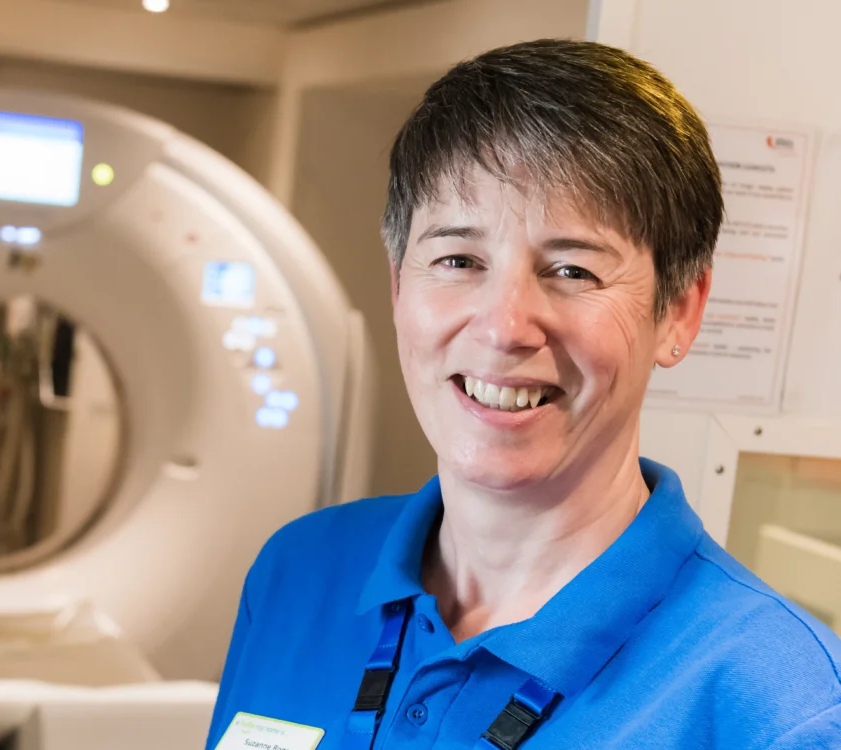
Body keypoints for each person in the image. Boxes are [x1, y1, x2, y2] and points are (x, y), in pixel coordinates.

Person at [205, 39, 841, 750]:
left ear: (680, 312)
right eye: (458, 259)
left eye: (572, 271)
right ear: (397, 285)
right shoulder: (299, 572)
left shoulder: (779, 708)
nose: (505, 326)